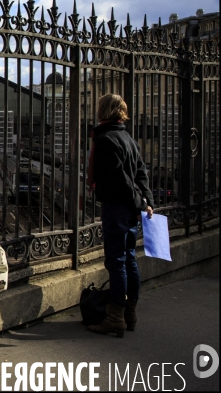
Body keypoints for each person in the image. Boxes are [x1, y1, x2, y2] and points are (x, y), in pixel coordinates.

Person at [87, 94, 154, 338]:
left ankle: (115, 317)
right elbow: (141, 174)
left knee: (116, 263)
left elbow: (121, 180)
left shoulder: (105, 139)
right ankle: (130, 313)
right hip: (130, 209)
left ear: (102, 110)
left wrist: (138, 202)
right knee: (129, 260)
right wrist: (147, 202)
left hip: (116, 207)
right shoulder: (128, 138)